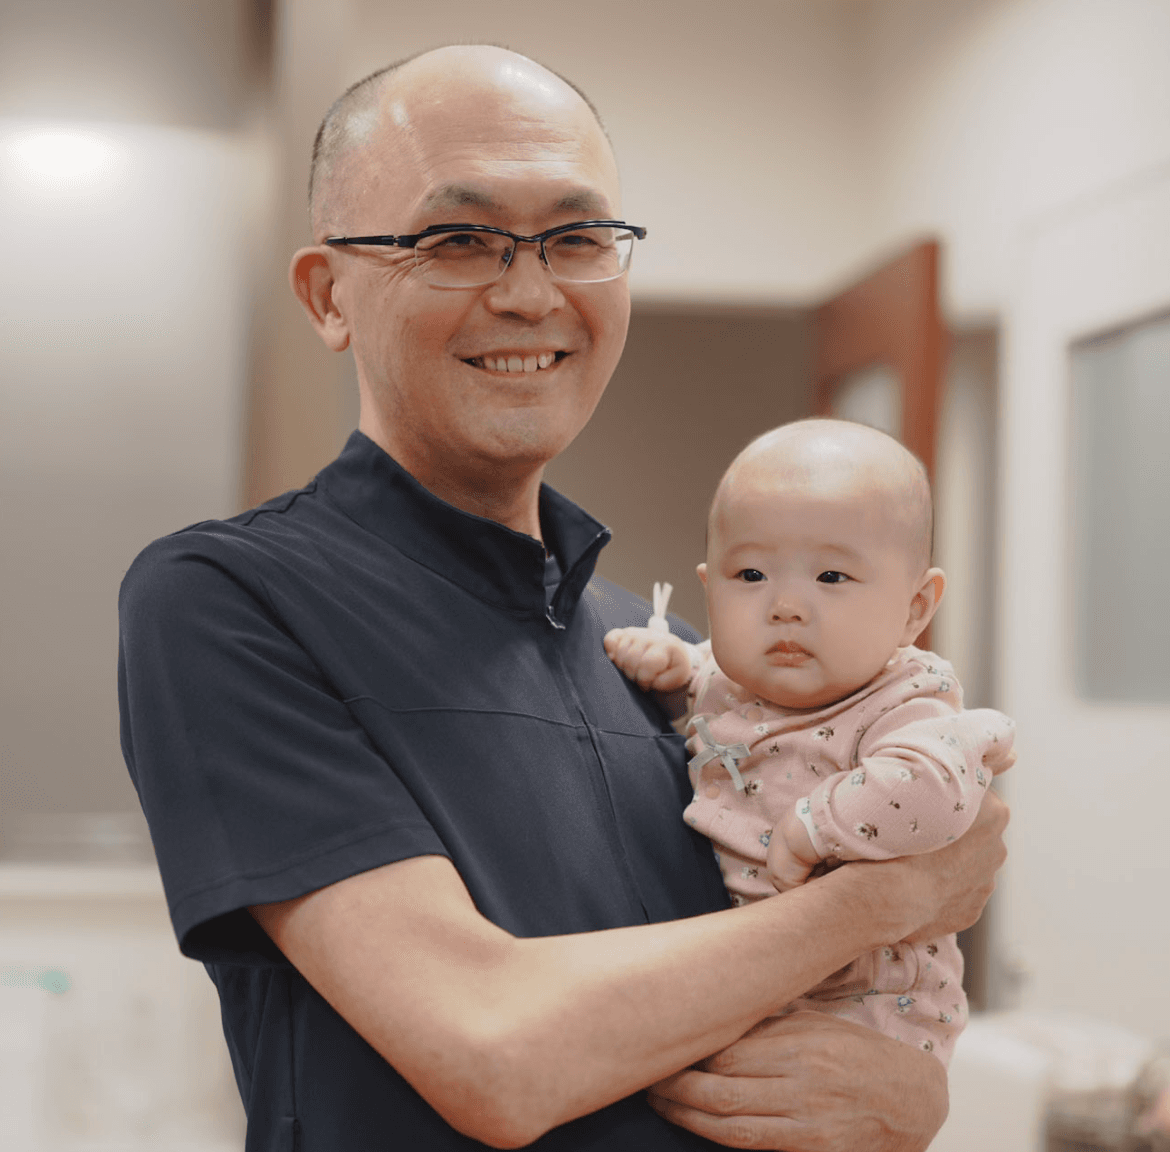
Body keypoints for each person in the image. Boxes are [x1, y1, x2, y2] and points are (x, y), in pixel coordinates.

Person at [117, 45, 1010, 1150]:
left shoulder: (666, 658)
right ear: (327, 294)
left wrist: (907, 1094)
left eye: (579, 239)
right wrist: (887, 899)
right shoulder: (234, 602)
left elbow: (769, 995)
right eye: (458, 239)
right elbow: (493, 1050)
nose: (531, 293)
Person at [604, 419, 1015, 1066]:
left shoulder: (905, 698)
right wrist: (673, 667)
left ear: (915, 608)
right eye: (750, 574)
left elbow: (934, 789)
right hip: (746, 980)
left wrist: (818, 824)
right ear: (709, 589)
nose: (786, 606)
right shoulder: (730, 680)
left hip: (869, 1006)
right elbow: (704, 699)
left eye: (830, 576)